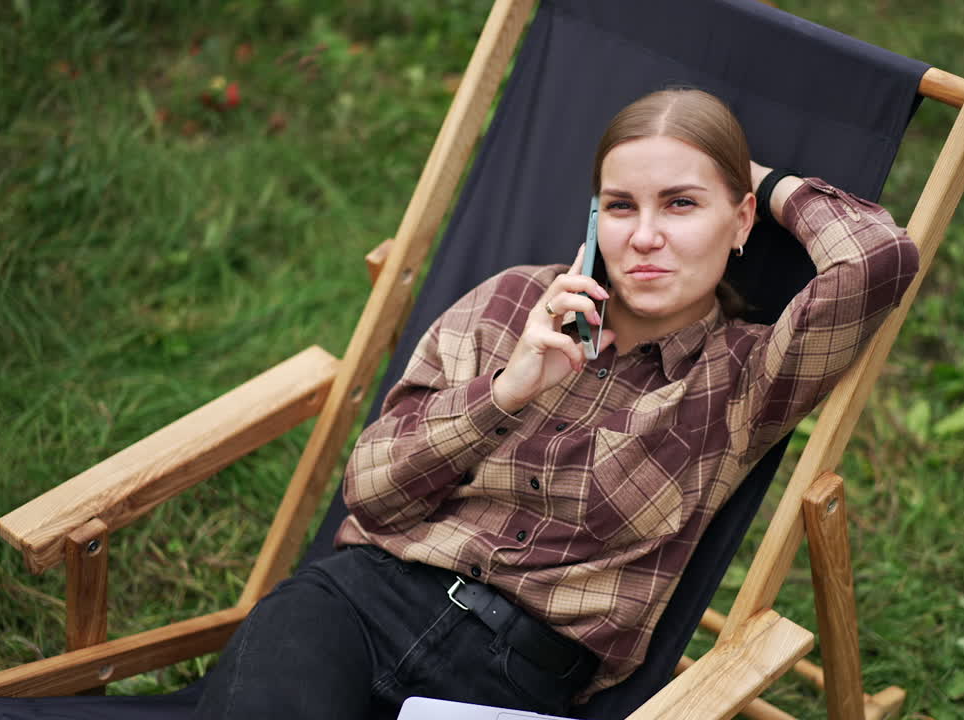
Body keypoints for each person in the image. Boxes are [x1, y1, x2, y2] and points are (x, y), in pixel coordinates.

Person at [193, 88, 919, 719]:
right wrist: (507, 391)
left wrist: (746, 173)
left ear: (740, 222)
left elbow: (880, 259)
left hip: (509, 682)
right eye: (621, 205)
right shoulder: (514, 303)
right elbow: (372, 495)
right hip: (355, 606)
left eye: (682, 203)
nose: (645, 236)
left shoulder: (744, 378)